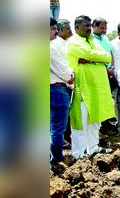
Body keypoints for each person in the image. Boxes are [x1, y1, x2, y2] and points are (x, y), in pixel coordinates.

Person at [66, 15, 113, 159]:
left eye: (89, 25)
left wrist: (91, 59)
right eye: (85, 25)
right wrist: (97, 59)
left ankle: (93, 148)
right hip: (83, 87)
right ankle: (78, 154)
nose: (88, 28)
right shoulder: (73, 41)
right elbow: (89, 53)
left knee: (95, 120)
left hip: (97, 87)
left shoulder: (92, 40)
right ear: (76, 28)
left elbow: (107, 56)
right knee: (81, 122)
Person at [50, 17, 74, 169]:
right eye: (53, 29)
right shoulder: (50, 47)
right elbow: (63, 70)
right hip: (56, 89)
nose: (55, 32)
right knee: (57, 128)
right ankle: (56, 161)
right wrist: (70, 76)